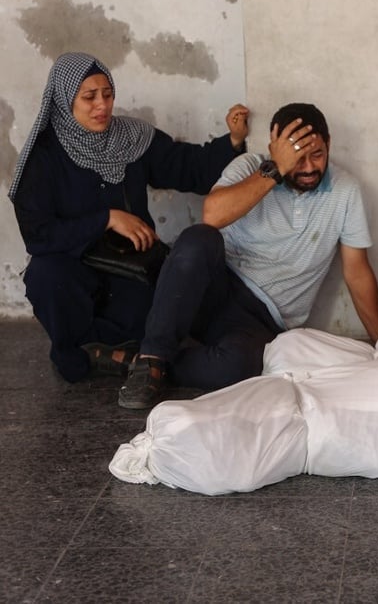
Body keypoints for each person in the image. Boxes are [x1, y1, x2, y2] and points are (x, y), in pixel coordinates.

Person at [118, 103, 378, 409]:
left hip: (262, 319)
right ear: (275, 149)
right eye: (297, 158)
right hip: (213, 287)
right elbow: (213, 214)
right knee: (199, 238)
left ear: (329, 145)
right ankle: (154, 353)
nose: (310, 167)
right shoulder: (250, 166)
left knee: (238, 368)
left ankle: (139, 362)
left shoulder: (346, 191)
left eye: (317, 155)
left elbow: (357, 272)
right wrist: (276, 170)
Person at [9, 52, 247, 383]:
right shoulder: (44, 157)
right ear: (64, 100)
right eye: (89, 97)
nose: (102, 106)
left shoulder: (130, 138)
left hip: (130, 268)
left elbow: (186, 167)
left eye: (107, 94)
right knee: (45, 275)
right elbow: (38, 234)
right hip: (76, 271)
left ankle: (108, 355)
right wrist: (107, 219)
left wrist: (233, 141)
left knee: (162, 305)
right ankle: (79, 356)